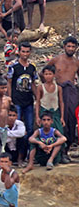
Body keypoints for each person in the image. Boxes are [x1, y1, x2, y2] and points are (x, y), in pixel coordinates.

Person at [47, 35, 79, 163]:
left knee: (71, 120)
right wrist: (49, 86)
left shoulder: (76, 62)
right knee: (59, 120)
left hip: (71, 92)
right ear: (64, 46)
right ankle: (57, 152)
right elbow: (44, 72)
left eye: (73, 46)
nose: (70, 48)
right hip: (58, 92)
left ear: (76, 48)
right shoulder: (56, 60)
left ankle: (66, 151)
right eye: (68, 46)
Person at [7, 41, 37, 163]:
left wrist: (37, 98)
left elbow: (33, 84)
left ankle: (27, 156)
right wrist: (10, 98)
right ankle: (17, 157)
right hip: (17, 101)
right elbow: (9, 83)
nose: (25, 54)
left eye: (27, 51)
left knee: (29, 129)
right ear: (18, 52)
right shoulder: (13, 67)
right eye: (23, 51)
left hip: (28, 101)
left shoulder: (32, 68)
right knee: (17, 128)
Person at [35, 65, 64, 148]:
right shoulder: (41, 87)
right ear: (43, 75)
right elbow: (38, 102)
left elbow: (61, 102)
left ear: (54, 75)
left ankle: (59, 154)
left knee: (59, 132)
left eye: (50, 74)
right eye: (46, 74)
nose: (48, 76)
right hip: (44, 112)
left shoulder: (58, 88)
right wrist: (37, 116)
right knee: (44, 133)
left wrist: (62, 117)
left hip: (55, 112)